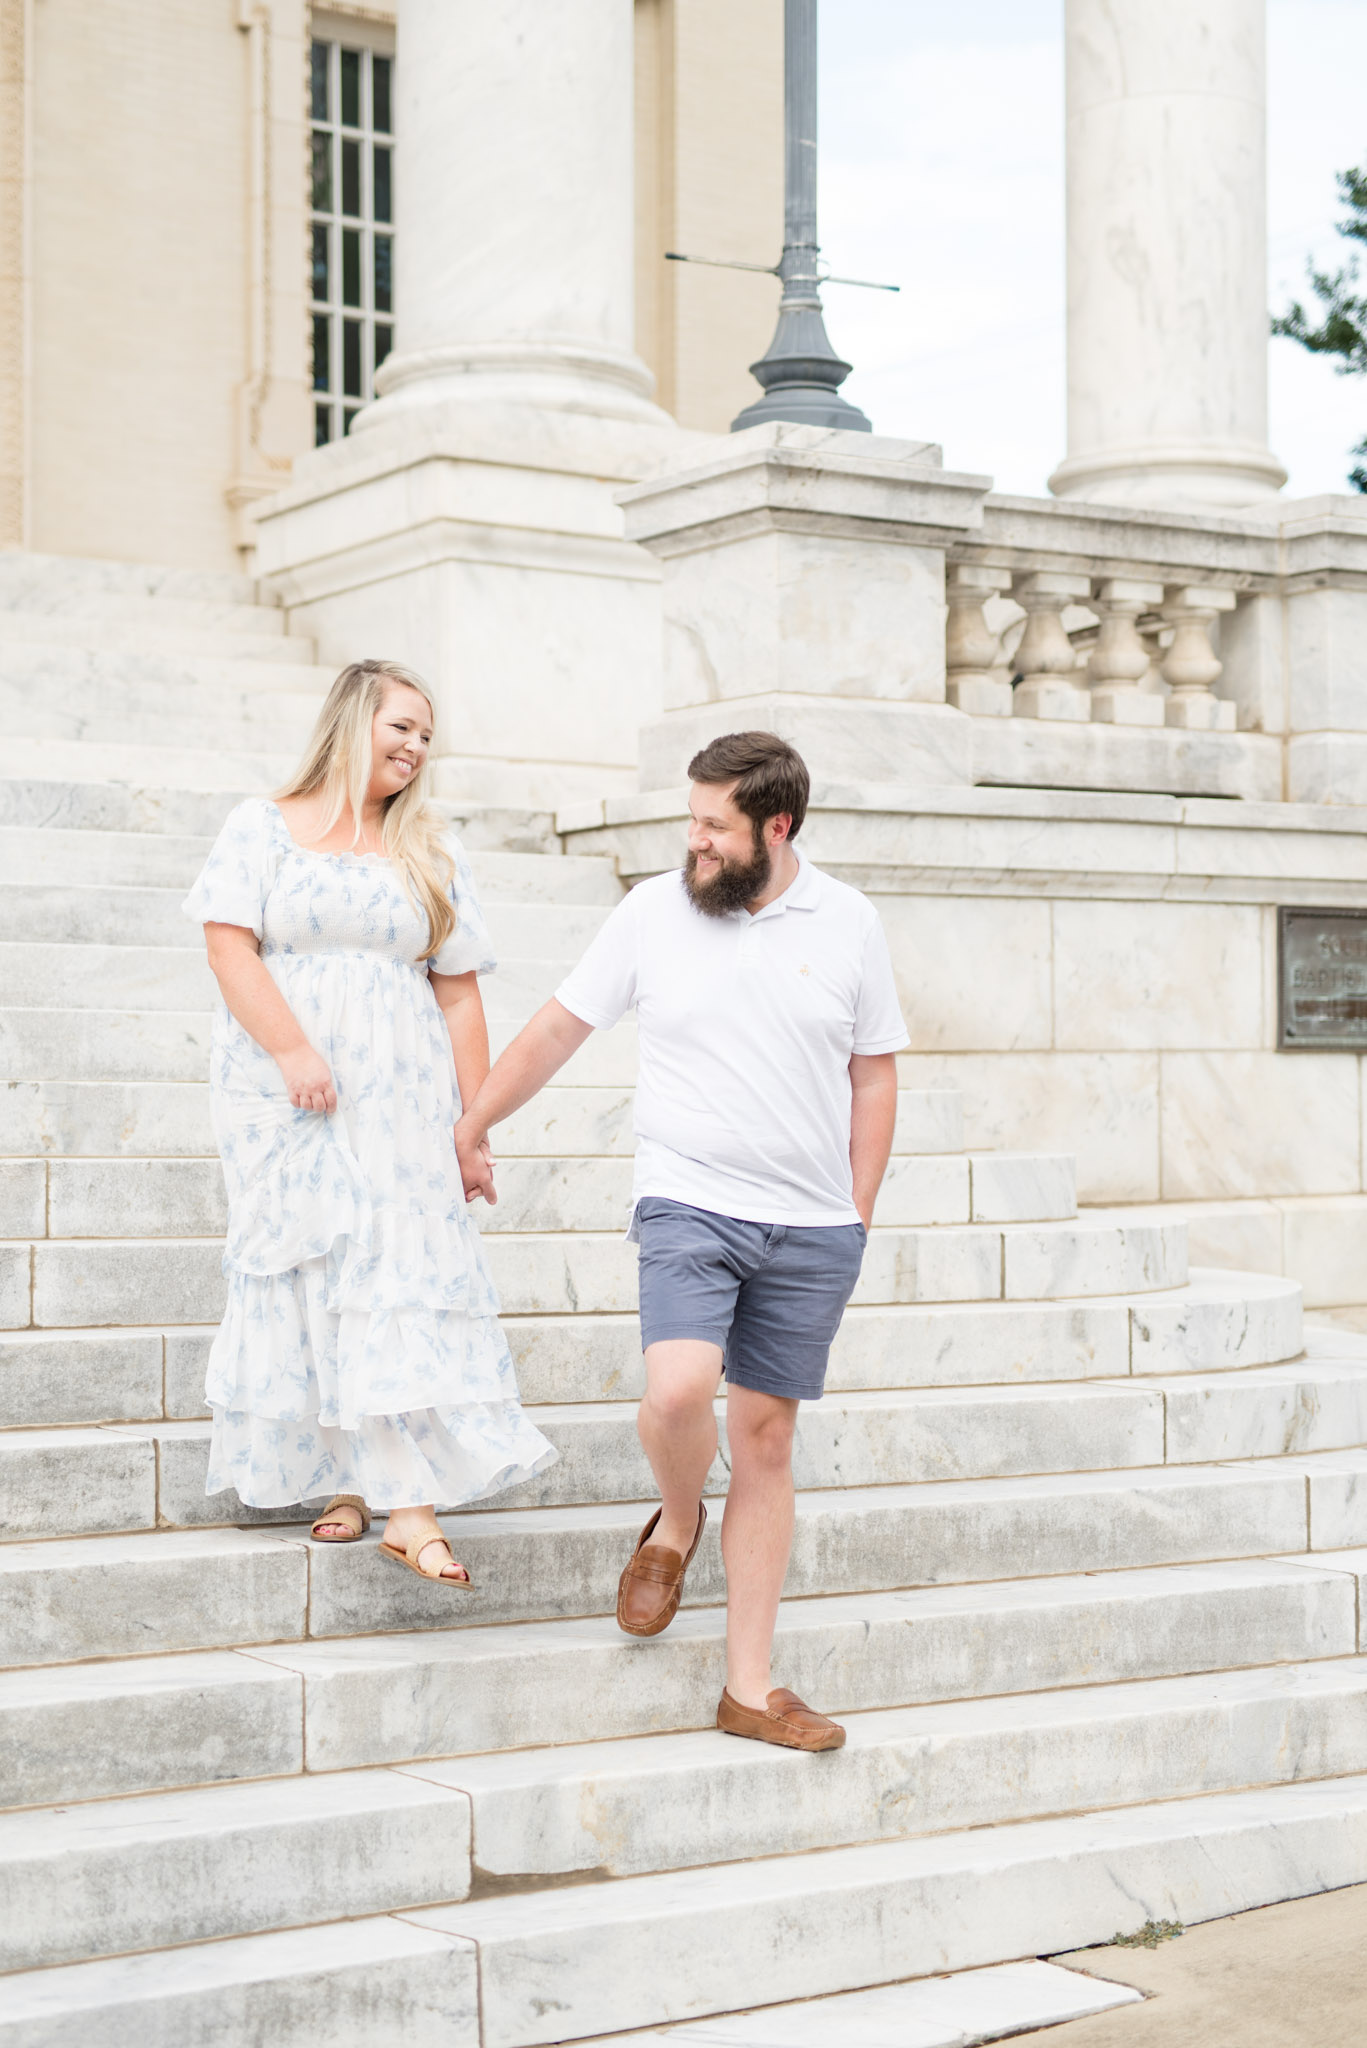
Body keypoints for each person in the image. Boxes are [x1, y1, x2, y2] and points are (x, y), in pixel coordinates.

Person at [454, 730, 908, 1748]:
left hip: (808, 1224)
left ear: (775, 827)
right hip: (687, 1200)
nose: (691, 841)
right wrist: (475, 1120)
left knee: (765, 1438)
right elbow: (558, 1027)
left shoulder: (848, 922)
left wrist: (857, 1209)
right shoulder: (652, 911)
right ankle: (675, 1513)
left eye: (713, 825)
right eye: (689, 819)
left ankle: (748, 1686)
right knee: (673, 1390)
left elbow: (872, 1069)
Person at [183, 658, 554, 1585]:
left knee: (387, 1269)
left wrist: (473, 1124)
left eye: (427, 735)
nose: (416, 747)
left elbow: (460, 996)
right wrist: (294, 1052)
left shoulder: (429, 847)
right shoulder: (260, 826)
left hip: (401, 1094)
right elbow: (227, 943)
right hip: (284, 1087)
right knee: (313, 1263)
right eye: (402, 727)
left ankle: (404, 1502)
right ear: (353, 722)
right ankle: (348, 1481)